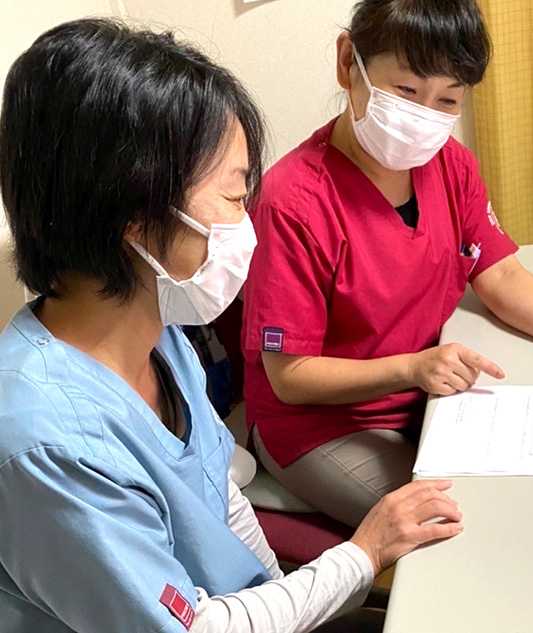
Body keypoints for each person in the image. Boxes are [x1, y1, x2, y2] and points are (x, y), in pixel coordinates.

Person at [0, 18, 462, 633]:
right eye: (235, 198)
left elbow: (219, 496)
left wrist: (290, 594)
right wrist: (363, 553)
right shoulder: (49, 446)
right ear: (135, 212)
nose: (247, 226)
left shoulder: (160, 335)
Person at [243, 0, 533, 528]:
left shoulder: (450, 164)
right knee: (467, 527)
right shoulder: (291, 202)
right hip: (323, 426)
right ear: (349, 62)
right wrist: (412, 368)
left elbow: (500, 272)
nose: (424, 116)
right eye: (406, 91)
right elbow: (290, 376)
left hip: (430, 397)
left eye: (447, 99)